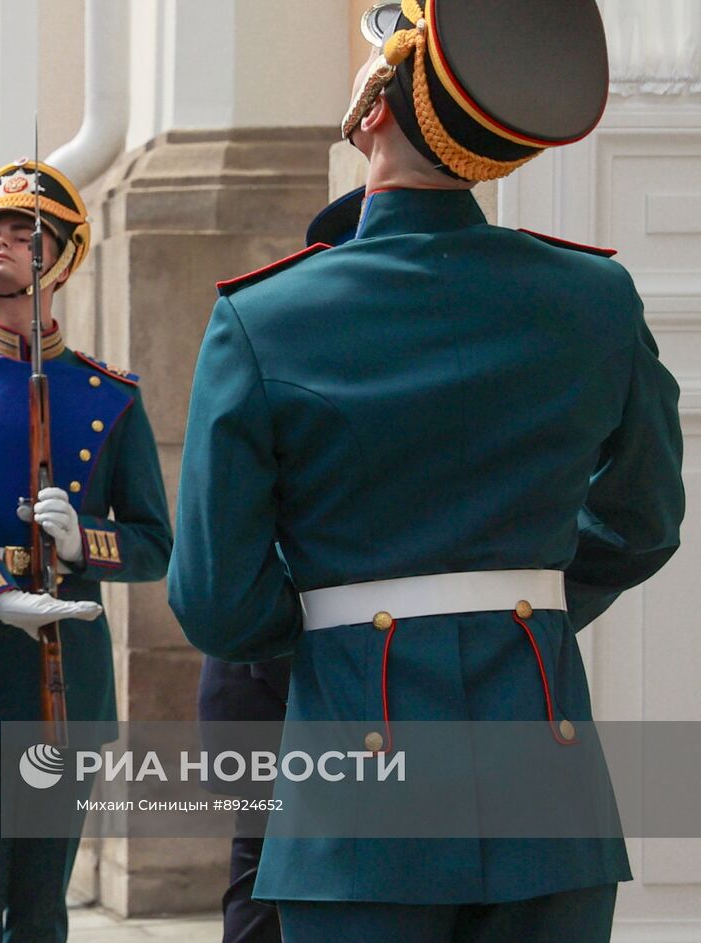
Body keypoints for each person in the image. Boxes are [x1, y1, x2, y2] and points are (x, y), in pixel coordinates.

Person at [169, 3, 685, 942]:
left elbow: (214, 599)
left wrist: (331, 630)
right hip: (548, 785)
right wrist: (516, 601)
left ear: (372, 113)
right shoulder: (593, 298)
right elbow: (645, 519)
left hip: (359, 799)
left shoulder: (265, 317)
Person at [0, 158, 173, 940]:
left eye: (24, 233)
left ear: (63, 258)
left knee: (43, 909)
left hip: (63, 677)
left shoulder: (109, 395)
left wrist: (85, 540)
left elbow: (155, 543)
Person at [198, 189, 363, 943]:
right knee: (264, 872)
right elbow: (231, 534)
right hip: (264, 666)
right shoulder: (286, 358)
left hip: (340, 666)